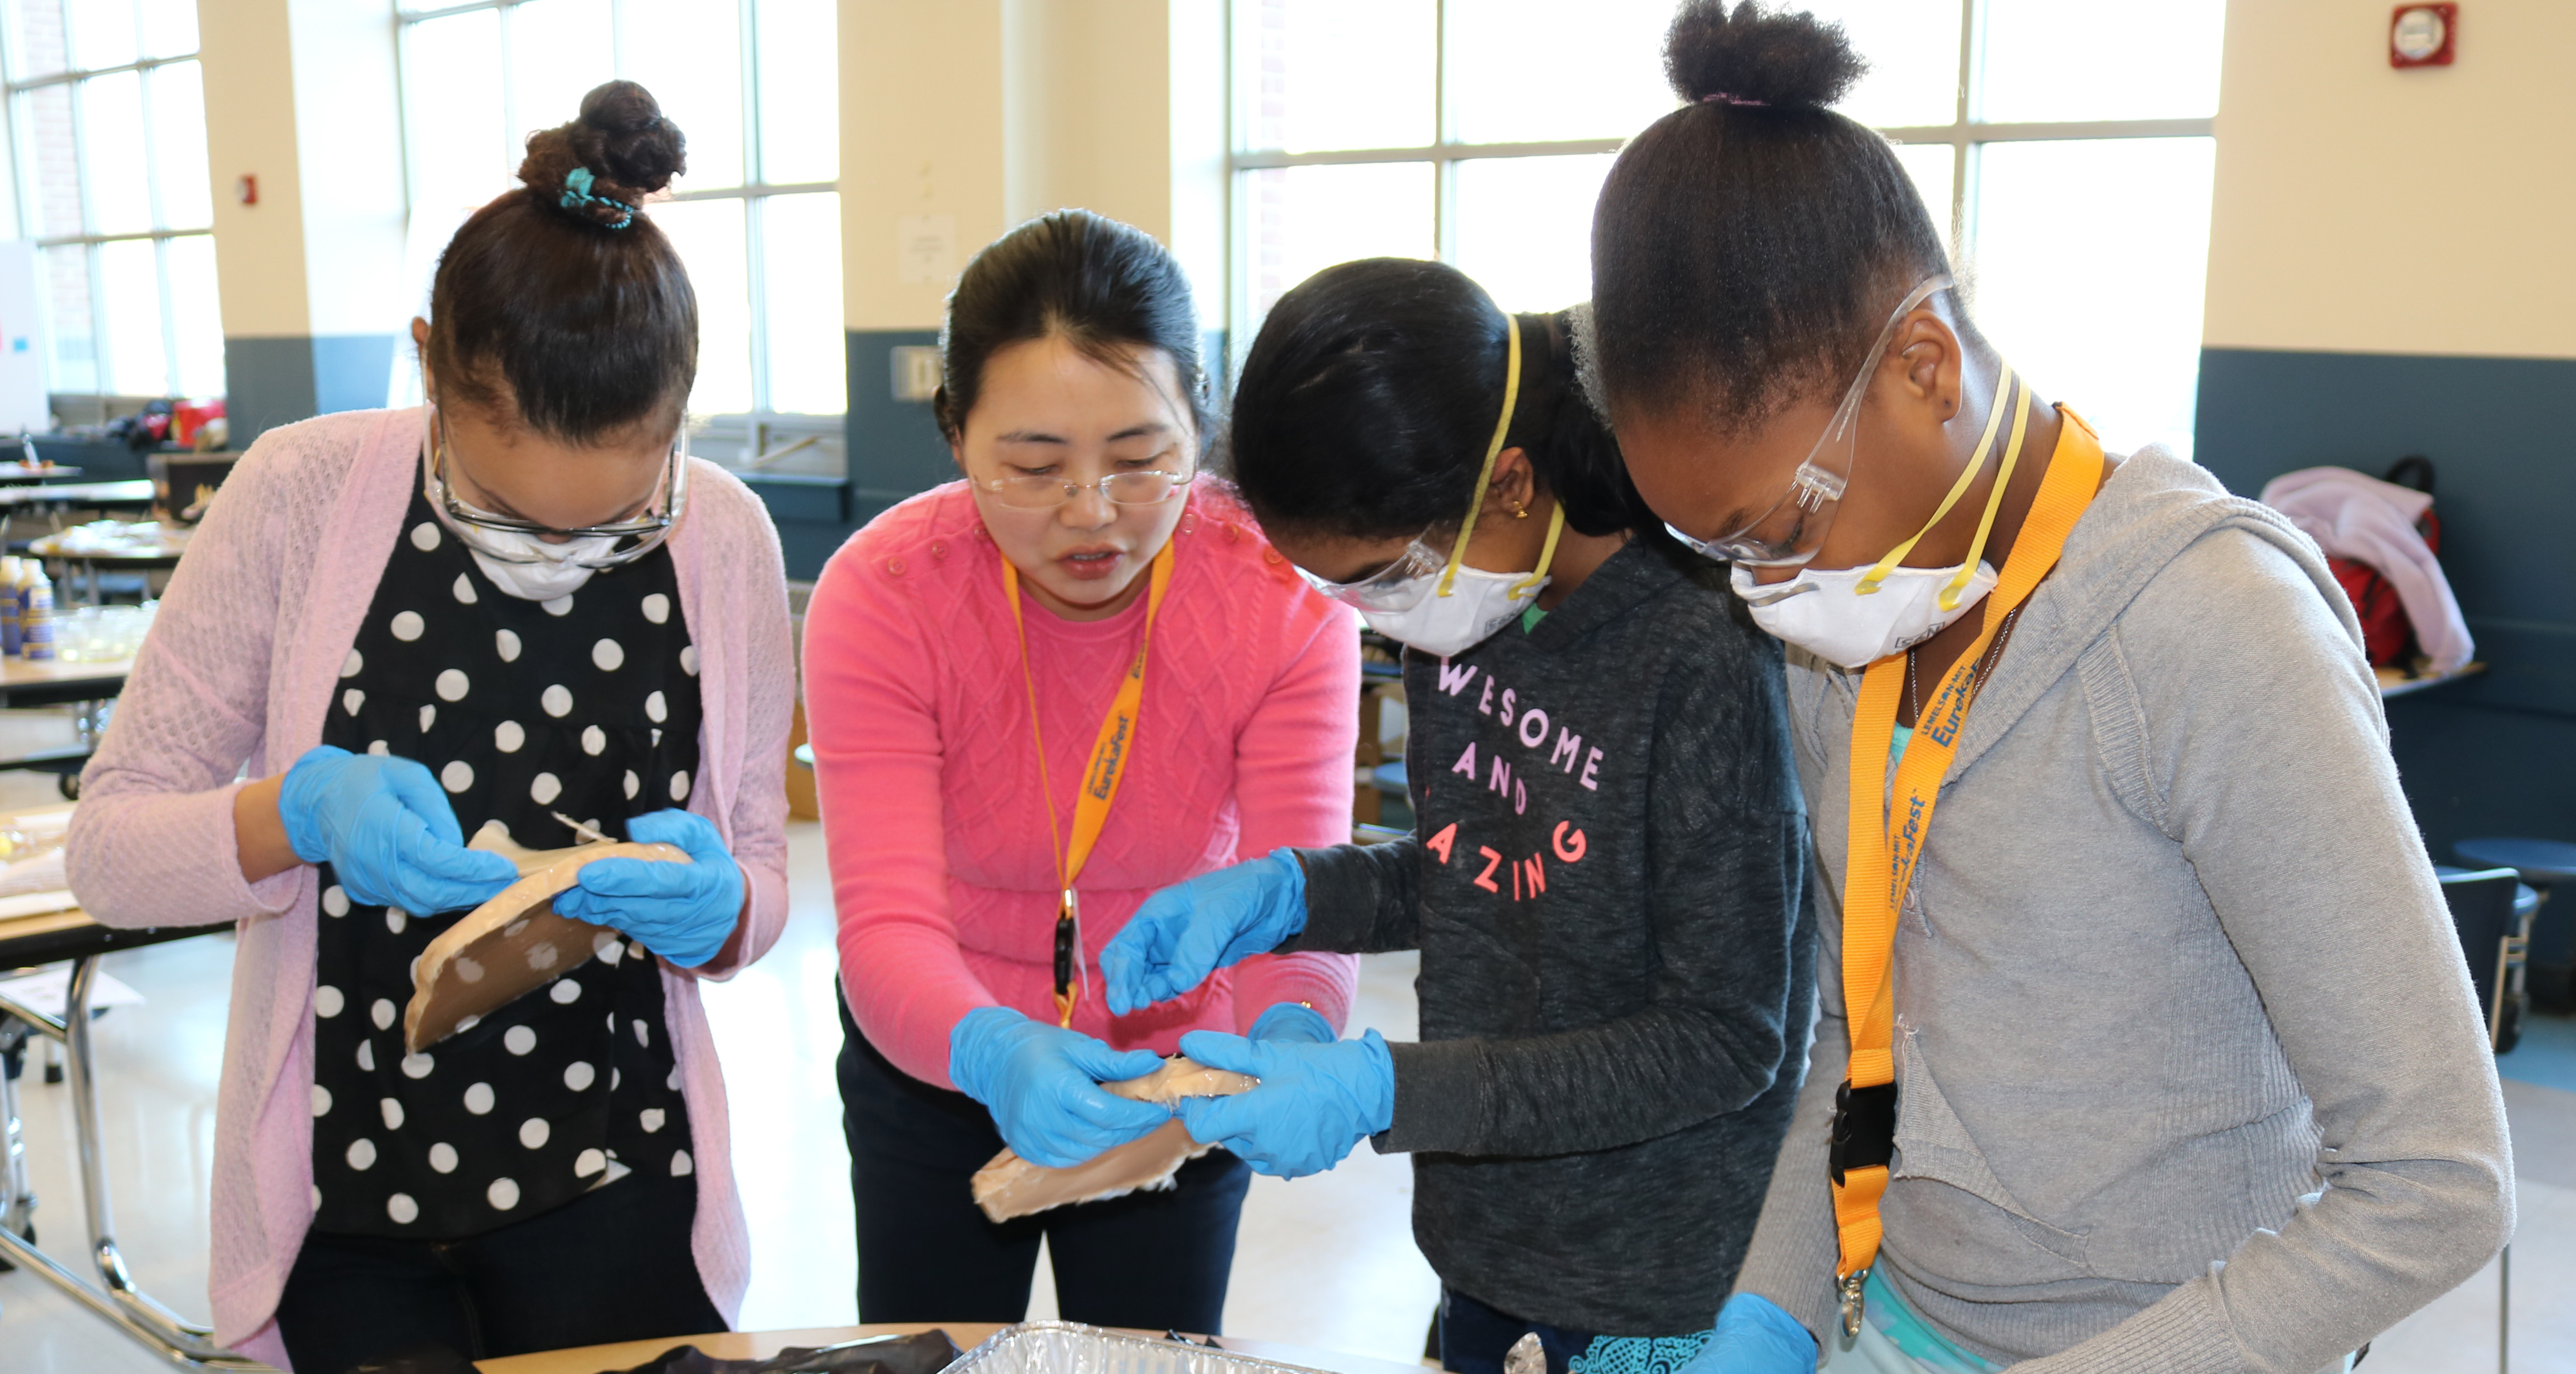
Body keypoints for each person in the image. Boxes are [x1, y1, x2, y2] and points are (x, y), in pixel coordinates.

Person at [1581, 6, 2514, 1373]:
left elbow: (2433, 1182)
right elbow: (1854, 1033)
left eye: (1773, 529)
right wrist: (1771, 1304)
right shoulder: (1844, 629)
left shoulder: (2206, 627)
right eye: (1712, 548)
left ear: (1921, 367)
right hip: (1899, 1319)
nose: (1755, 588)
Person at [66, 82, 795, 1373]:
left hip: (620, 1176)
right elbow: (110, 847)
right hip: (353, 1205)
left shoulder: (724, 533)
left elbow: (758, 876)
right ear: (427, 366)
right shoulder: (299, 492)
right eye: (509, 517)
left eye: (620, 519)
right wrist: (287, 814)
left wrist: (727, 903)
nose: (561, 566)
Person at [1100, 257, 1814, 1374]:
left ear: (1513, 484)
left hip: (1656, 1281)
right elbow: (1479, 863)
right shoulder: (1467, 605)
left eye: (1386, 575)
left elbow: (1725, 1037)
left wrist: (1392, 1086)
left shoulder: (1697, 651)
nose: (1380, 616)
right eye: (1347, 591)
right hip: (1483, 1247)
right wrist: (1293, 896)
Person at [803, 209, 1361, 1334]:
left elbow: (1300, 889)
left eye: (1141, 457)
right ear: (956, 434)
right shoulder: (887, 592)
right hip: (940, 1050)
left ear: (1198, 422)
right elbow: (886, 924)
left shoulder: (1284, 604)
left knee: (1151, 1355)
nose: (1091, 514)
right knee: (935, 1355)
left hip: (1178, 1062)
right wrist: (986, 1046)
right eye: (1034, 465)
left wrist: (1290, 1032)